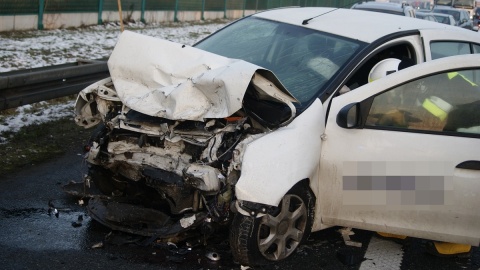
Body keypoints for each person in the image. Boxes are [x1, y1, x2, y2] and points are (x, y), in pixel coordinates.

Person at [368, 58, 474, 258]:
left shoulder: (431, 93)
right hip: (459, 136)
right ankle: (398, 228)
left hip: (466, 141)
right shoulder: (423, 82)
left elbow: (441, 123)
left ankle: (455, 243)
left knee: (444, 185)